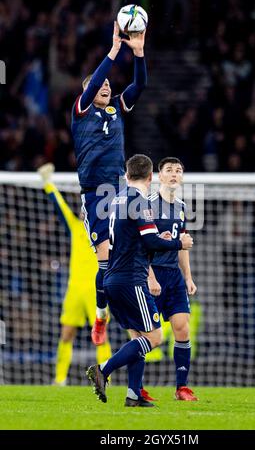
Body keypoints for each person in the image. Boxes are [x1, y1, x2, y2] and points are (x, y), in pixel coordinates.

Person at [86, 154, 193, 407]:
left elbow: (139, 238)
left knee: (138, 338)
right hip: (132, 279)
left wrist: (161, 238)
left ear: (126, 175)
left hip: (112, 277)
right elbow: (149, 241)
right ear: (151, 177)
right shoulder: (141, 201)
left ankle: (134, 395)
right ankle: (103, 369)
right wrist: (179, 242)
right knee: (155, 338)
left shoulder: (117, 199)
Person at [71, 21, 147, 346]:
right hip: (97, 196)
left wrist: (139, 54)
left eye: (106, 84)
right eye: (98, 83)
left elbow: (139, 86)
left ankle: (138, 311)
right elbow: (92, 84)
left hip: (120, 192)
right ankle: (100, 317)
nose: (104, 86)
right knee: (104, 259)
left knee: (131, 253)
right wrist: (115, 50)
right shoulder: (81, 111)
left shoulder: (116, 108)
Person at [37, 163, 112, 385]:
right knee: (66, 334)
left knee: (101, 337)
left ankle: (105, 377)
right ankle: (59, 380)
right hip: (74, 290)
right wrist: (48, 184)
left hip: (97, 290)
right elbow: (59, 206)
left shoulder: (105, 229)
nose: (82, 211)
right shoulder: (75, 227)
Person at [147, 157, 198, 400]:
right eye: (169, 170)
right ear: (159, 175)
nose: (174, 174)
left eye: (179, 170)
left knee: (182, 327)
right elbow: (141, 245)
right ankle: (136, 387)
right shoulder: (147, 205)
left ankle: (181, 387)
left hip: (174, 277)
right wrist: (149, 277)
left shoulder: (181, 206)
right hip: (152, 273)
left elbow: (182, 246)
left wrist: (188, 277)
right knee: (147, 336)